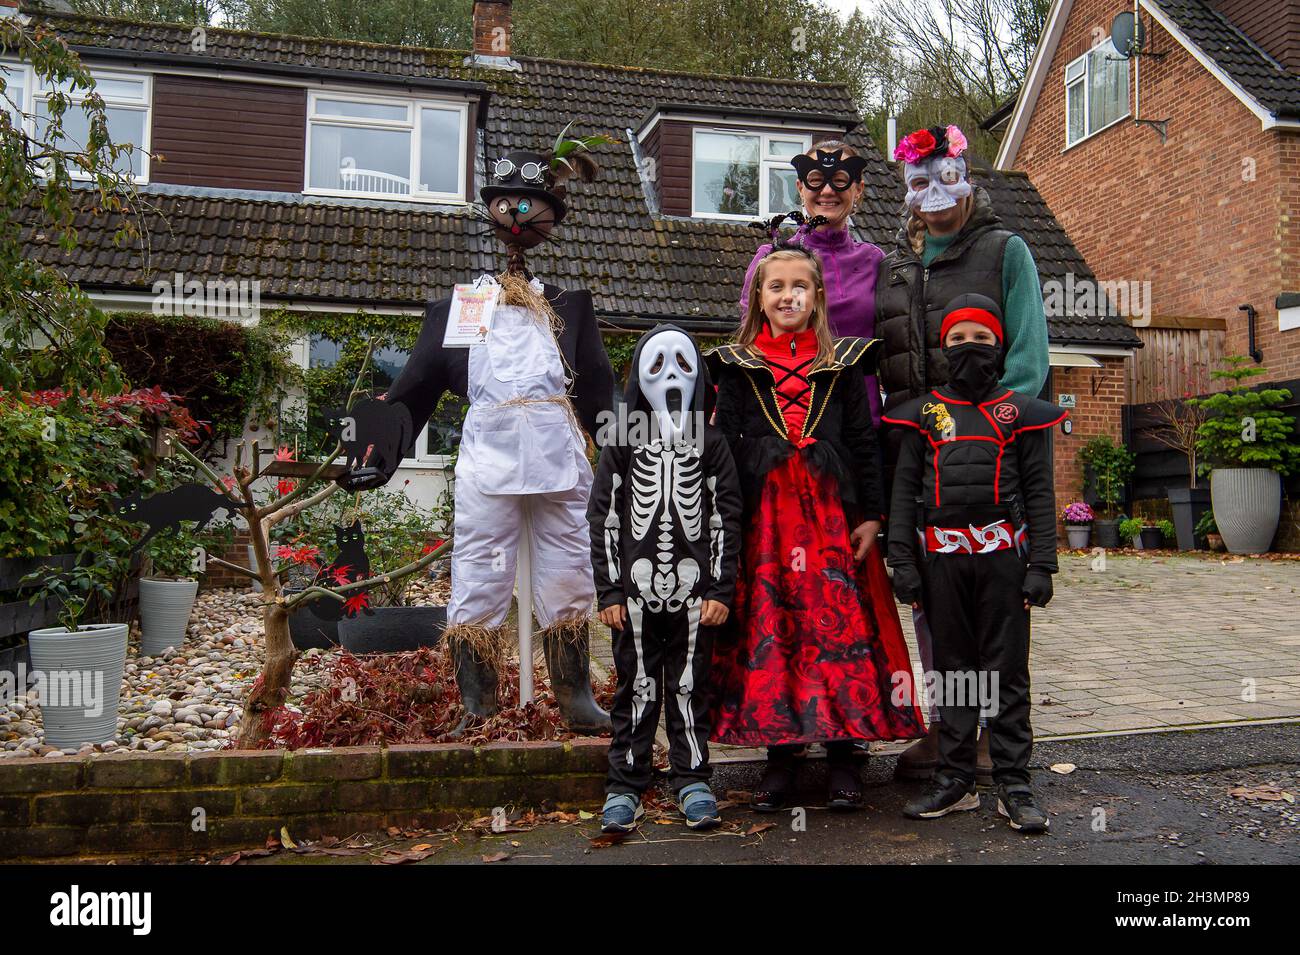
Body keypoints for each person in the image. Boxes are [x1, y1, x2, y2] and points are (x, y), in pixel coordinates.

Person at [336, 139, 614, 734]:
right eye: (508, 203)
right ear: (492, 210)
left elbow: (597, 394)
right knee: (479, 572)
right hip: (488, 462)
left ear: (552, 215)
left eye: (531, 205)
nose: (518, 216)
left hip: (561, 460)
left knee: (570, 571)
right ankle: (479, 703)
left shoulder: (570, 306)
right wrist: (378, 455)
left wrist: (632, 460)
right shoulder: (454, 309)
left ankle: (574, 696)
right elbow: (413, 393)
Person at [709, 228, 925, 812]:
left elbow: (862, 440)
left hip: (831, 522)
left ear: (818, 299)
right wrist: (722, 524)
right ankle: (781, 755)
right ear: (758, 298)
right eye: (775, 287)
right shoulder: (734, 366)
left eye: (799, 287)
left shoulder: (844, 364)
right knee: (774, 632)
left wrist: (871, 515)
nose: (787, 296)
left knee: (838, 631)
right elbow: (722, 449)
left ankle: (843, 753)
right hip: (766, 528)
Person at [875, 124, 1051, 783]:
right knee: (933, 601)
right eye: (920, 183)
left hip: (986, 457)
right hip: (916, 458)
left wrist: (991, 434)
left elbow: (1029, 361)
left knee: (992, 603)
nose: (936, 195)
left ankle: (990, 740)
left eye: (949, 178)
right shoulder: (896, 267)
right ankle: (954, 729)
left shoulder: (1006, 250)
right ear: (907, 193)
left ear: (969, 177)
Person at [883, 295, 1066, 833]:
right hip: (940, 564)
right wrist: (903, 563)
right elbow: (903, 495)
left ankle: (1014, 783)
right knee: (954, 673)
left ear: (999, 346)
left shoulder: (1020, 414)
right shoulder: (924, 414)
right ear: (944, 348)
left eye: (981, 341)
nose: (970, 350)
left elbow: (1039, 492)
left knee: (1007, 673)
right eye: (959, 341)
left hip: (1003, 561)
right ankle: (954, 779)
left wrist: (1044, 565)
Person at [587, 325, 743, 833]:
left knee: (688, 685)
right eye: (657, 365)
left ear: (698, 375)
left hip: (695, 595)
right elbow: (603, 515)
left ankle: (692, 779)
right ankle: (625, 785)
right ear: (637, 377)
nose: (671, 374)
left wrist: (720, 589)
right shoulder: (621, 441)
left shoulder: (713, 443)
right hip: (632, 595)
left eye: (682, 363)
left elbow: (726, 515)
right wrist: (608, 591)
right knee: (636, 686)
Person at [740, 140, 887, 424]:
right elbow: (752, 344)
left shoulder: (875, 261)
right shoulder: (772, 259)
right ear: (800, 188)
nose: (828, 191)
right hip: (793, 420)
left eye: (840, 181)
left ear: (858, 189)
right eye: (816, 180)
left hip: (863, 424)